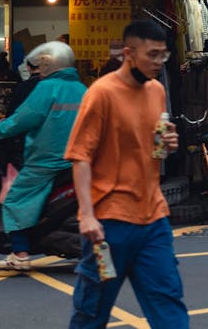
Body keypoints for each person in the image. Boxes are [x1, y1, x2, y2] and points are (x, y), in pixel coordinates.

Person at [63, 19, 186, 329]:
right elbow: (80, 157)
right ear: (129, 53)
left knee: (169, 305)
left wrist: (167, 144)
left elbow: (151, 149)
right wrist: (87, 216)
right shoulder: (101, 93)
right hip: (109, 224)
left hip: (153, 219)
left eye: (163, 55)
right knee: (92, 312)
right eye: (153, 55)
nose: (159, 63)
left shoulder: (157, 91)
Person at [0, 41, 85, 271]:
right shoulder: (82, 89)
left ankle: (20, 253)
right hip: (77, 160)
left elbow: (23, 119)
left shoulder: (47, 88)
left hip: (46, 160)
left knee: (15, 200)